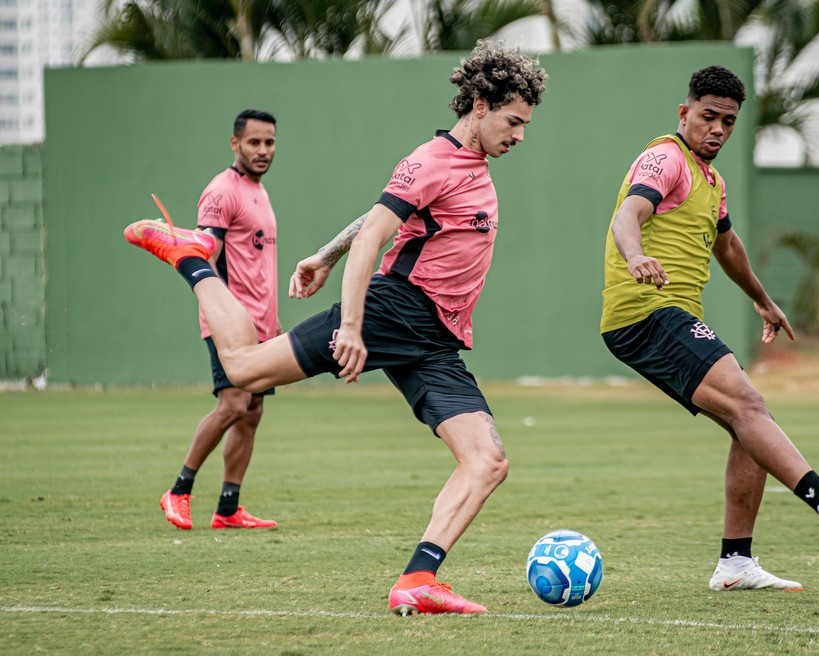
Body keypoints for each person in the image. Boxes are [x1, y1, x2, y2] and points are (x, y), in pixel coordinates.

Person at [125, 39, 547, 615]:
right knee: (242, 368)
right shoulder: (432, 159)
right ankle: (191, 257)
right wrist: (351, 325)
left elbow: (378, 216)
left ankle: (418, 580)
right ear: (478, 104)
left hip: (433, 339)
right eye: (513, 121)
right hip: (392, 311)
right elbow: (376, 236)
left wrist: (323, 255)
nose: (520, 135)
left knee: (488, 460)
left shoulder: (468, 166)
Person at [600, 66, 819, 591]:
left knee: (750, 424)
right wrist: (637, 254)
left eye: (728, 122)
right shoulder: (665, 158)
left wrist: (763, 301)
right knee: (751, 406)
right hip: (645, 313)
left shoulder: (712, 181)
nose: (717, 129)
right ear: (684, 113)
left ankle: (735, 564)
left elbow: (727, 247)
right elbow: (628, 215)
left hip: (672, 315)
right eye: (708, 116)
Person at [159, 109, 281, 531]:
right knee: (232, 404)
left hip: (263, 326)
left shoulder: (259, 192)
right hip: (229, 321)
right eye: (254, 142)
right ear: (235, 144)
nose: (263, 150)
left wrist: (273, 321)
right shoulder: (221, 192)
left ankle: (228, 508)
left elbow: (258, 264)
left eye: (269, 142)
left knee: (252, 411)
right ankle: (178, 491)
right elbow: (202, 252)